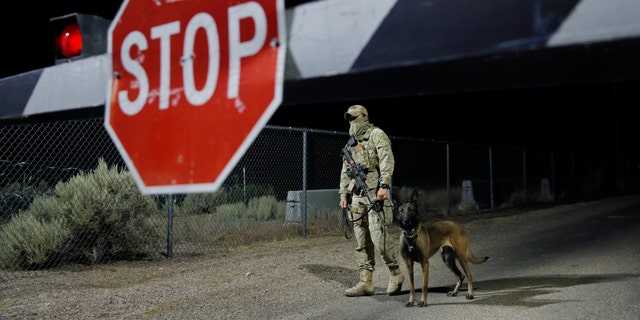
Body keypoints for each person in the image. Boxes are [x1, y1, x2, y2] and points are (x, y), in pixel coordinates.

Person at [338, 104, 403, 297]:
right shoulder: (351, 143)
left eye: (354, 117)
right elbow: (345, 170)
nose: (351, 122)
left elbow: (386, 160)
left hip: (375, 193)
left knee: (379, 238)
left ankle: (396, 274)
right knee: (361, 240)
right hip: (356, 197)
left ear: (364, 116)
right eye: (349, 119)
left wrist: (384, 185)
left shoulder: (377, 134)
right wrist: (343, 193)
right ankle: (366, 282)